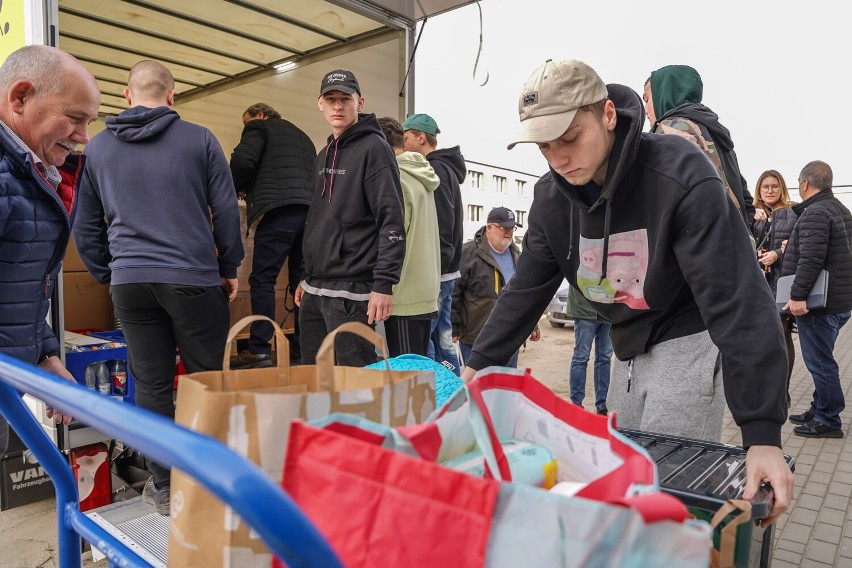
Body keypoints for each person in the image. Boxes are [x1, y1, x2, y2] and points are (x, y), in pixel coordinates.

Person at [460, 58, 792, 526]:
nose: (558, 157)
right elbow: (526, 289)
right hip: (626, 344)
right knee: (623, 475)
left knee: (669, 487)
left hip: (687, 335)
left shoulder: (679, 175)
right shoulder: (551, 199)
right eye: (544, 146)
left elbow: (736, 298)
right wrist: (476, 368)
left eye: (570, 138)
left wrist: (762, 435)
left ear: (608, 115)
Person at [73, 60, 244, 515]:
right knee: (207, 381)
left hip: (131, 283)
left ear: (127, 97)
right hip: (192, 278)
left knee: (150, 385)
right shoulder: (200, 139)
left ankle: (167, 487)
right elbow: (226, 211)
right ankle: (211, 480)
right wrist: (229, 266)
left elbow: (84, 223)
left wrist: (110, 273)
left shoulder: (97, 149)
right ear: (172, 96)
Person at [0, 45, 100, 454]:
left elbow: (15, 286)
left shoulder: (31, 173)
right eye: (75, 118)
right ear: (19, 98)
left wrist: (43, 354)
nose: (84, 136)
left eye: (90, 121)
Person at [295, 70, 405, 366]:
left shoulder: (375, 149)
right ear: (320, 103)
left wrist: (383, 285)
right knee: (314, 379)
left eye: (345, 99)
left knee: (354, 387)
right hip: (316, 289)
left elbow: (392, 220)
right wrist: (306, 277)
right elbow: (317, 220)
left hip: (352, 293)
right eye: (331, 99)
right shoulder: (324, 153)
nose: (338, 106)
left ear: (360, 102)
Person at [229, 103, 316, 368]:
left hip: (280, 212)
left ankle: (258, 349)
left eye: (247, 122)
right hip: (310, 213)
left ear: (260, 115)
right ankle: (304, 350)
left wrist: (236, 186)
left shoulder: (259, 127)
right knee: (302, 282)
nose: (246, 128)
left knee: (263, 279)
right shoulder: (302, 136)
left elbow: (243, 160)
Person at [781, 161, 852, 438]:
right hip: (839, 303)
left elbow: (811, 259)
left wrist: (797, 297)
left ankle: (828, 420)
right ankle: (819, 406)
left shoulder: (815, 212)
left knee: (821, 363)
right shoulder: (840, 210)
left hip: (819, 305)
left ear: (805, 183)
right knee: (823, 359)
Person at [643, 65, 755, 227]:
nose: (645, 110)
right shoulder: (716, 132)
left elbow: (671, 198)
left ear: (664, 93)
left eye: (647, 100)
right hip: (736, 242)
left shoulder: (671, 129)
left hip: (700, 244)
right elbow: (746, 201)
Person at [402, 113, 466, 375]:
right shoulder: (447, 169)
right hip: (447, 269)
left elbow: (441, 223)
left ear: (420, 137)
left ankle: (432, 392)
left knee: (428, 338)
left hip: (438, 271)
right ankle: (453, 389)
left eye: (406, 138)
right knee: (443, 336)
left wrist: (433, 267)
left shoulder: (434, 170)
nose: (403, 144)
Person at [375, 117, 441, 356]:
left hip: (404, 293)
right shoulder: (422, 175)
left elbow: (393, 234)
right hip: (424, 290)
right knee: (417, 373)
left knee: (406, 379)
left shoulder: (398, 178)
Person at [451, 207, 540, 367]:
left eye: (512, 228)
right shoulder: (469, 254)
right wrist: (454, 328)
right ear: (489, 228)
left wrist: (532, 325)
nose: (509, 233)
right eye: (504, 228)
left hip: (510, 338)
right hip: (476, 339)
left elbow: (524, 294)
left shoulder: (517, 255)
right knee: (477, 387)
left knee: (505, 387)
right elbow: (454, 293)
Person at [751, 170, 798, 401]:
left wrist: (777, 253)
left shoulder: (793, 212)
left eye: (775, 186)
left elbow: (799, 245)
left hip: (783, 283)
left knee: (782, 335)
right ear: (759, 189)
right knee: (760, 338)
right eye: (765, 186)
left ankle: (783, 391)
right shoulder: (753, 214)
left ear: (782, 189)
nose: (770, 191)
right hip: (758, 284)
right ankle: (763, 388)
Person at [566, 287, 612, 415]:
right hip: (584, 310)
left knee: (604, 359)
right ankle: (576, 405)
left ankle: (602, 406)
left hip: (608, 311)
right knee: (581, 357)